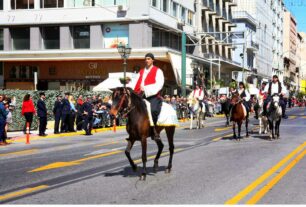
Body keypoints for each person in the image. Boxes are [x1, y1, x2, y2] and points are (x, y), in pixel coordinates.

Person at [134, 53, 164, 141]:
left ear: (152, 60)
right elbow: (136, 82)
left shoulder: (158, 71)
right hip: (140, 95)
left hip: (153, 96)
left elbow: (159, 84)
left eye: (149, 59)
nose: (147, 60)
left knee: (153, 110)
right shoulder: (141, 71)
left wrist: (146, 89)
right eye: (146, 59)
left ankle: (154, 131)